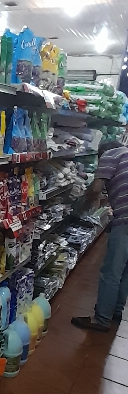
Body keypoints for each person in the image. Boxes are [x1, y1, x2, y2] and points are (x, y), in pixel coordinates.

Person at [72, 140, 128, 331]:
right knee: (125, 270)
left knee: (111, 271)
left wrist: (79, 209)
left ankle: (102, 319)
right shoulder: (125, 155)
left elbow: (95, 189)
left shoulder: (109, 155)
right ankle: (116, 312)